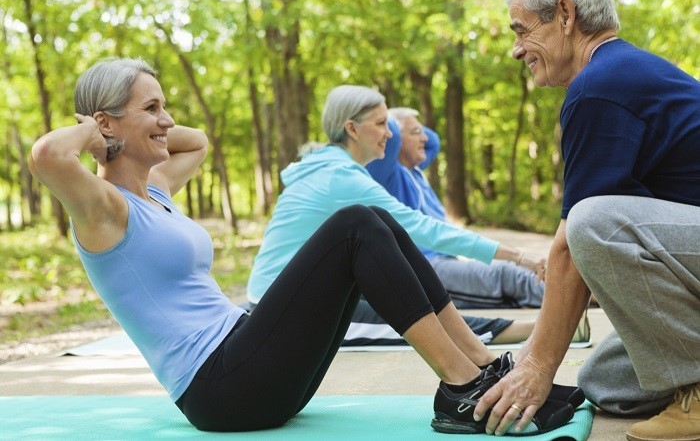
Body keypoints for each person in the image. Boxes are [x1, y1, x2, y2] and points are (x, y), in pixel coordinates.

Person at [29, 57, 577, 434]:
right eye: (152, 108)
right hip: (220, 388)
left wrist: (135, 128)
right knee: (355, 223)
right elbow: (48, 156)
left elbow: (196, 141)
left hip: (247, 354)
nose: (167, 120)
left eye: (163, 105)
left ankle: (480, 371)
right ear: (104, 123)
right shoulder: (105, 209)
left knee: (374, 221)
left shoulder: (157, 191)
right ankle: (461, 388)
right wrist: (102, 134)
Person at [472, 0, 700, 440]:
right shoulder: (618, 74)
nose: (516, 50)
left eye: (521, 31)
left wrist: (535, 365)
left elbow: (573, 247)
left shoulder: (600, 87)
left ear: (565, 14)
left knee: (592, 221)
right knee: (603, 380)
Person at [247, 85, 551, 347]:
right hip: (284, 314)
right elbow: (423, 229)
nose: (389, 134)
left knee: (406, 292)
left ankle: (538, 330)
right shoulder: (341, 179)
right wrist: (518, 255)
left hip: (280, 298)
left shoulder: (328, 168)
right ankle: (541, 332)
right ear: (352, 129)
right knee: (420, 326)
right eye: (381, 124)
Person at [366, 107, 545, 309]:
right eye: (416, 133)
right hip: (423, 267)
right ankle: (572, 298)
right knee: (507, 274)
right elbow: (393, 131)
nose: (424, 138)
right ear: (394, 139)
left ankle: (574, 292)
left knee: (514, 272)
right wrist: (390, 116)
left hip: (444, 260)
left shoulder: (414, 170)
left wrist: (411, 124)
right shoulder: (386, 174)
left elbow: (434, 140)